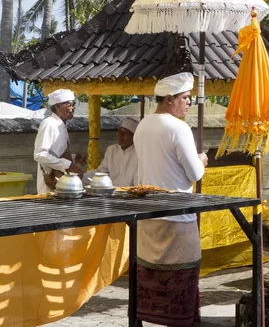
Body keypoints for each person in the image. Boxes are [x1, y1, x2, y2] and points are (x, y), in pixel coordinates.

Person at [133, 71, 208, 327]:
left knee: (148, 273)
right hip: (177, 215)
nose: (188, 103)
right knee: (182, 275)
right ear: (168, 99)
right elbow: (195, 173)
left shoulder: (142, 125)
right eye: (185, 98)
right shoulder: (178, 127)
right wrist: (202, 160)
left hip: (148, 213)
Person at [34, 89, 83, 194]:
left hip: (62, 184)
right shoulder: (49, 124)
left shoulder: (62, 125)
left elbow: (56, 152)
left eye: (73, 104)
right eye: (68, 104)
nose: (72, 108)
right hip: (49, 185)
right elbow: (40, 155)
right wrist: (68, 165)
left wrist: (74, 158)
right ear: (57, 106)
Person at [83, 116, 139, 187]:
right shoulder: (111, 150)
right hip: (112, 194)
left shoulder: (139, 153)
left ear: (134, 136)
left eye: (124, 133)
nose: (119, 135)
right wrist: (83, 176)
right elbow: (101, 172)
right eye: (119, 131)